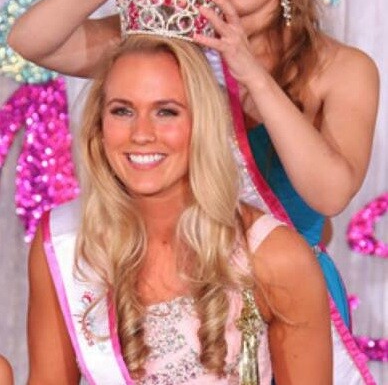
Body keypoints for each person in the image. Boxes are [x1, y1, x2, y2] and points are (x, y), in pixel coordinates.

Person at [10, 0, 378, 381]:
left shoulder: (342, 69)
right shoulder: (171, 44)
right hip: (178, 284)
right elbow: (29, 40)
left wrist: (248, 70)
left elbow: (329, 193)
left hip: (284, 290)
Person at [27, 34, 332, 384]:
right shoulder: (65, 242)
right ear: (99, 126)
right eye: (122, 111)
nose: (141, 134)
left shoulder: (276, 257)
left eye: (166, 111)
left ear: (202, 123)